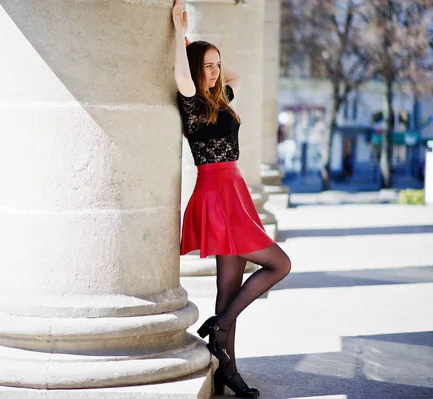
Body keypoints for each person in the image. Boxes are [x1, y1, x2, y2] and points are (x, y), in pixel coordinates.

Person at [172, 0, 292, 397]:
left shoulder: (221, 96)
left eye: (216, 64)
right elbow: (184, 74)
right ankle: (220, 326)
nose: (215, 70)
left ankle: (226, 368)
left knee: (229, 287)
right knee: (279, 263)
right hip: (215, 192)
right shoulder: (190, 101)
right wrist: (181, 36)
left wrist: (208, 53)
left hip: (235, 190)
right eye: (207, 65)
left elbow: (235, 76)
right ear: (192, 69)